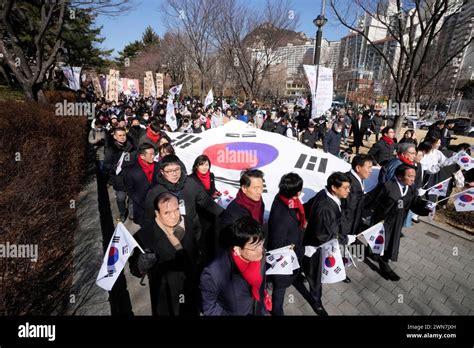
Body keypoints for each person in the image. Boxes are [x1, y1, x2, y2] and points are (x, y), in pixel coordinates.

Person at [129, 192, 199, 316]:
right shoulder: (144, 235)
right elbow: (135, 270)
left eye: (176, 210)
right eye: (167, 213)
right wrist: (141, 265)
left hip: (190, 285)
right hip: (166, 294)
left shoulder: (188, 222)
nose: (174, 216)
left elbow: (195, 249)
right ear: (157, 213)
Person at [364, 165, 432, 281]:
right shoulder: (387, 186)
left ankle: (369, 252)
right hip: (383, 221)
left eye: (414, 177)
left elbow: (414, 203)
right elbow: (373, 201)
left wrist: (427, 209)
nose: (412, 179)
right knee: (382, 244)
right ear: (400, 176)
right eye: (409, 176)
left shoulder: (411, 188)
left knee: (390, 242)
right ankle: (385, 267)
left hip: (398, 221)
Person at [303, 172, 354, 316]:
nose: (348, 191)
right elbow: (323, 235)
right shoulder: (325, 207)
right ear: (334, 188)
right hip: (318, 246)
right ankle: (316, 301)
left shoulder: (325, 193)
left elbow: (308, 207)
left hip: (328, 241)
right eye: (345, 188)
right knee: (315, 274)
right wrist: (345, 239)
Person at [200, 216, 271, 316]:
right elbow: (209, 308)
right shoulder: (213, 273)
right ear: (237, 249)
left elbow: (261, 284)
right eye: (255, 247)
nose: (261, 250)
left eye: (261, 243)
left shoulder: (259, 255)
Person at [268, 173, 317, 315]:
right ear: (295, 192)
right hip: (284, 257)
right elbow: (278, 245)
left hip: (294, 247)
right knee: (280, 287)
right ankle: (277, 310)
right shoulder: (281, 215)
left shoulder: (286, 199)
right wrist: (297, 251)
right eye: (299, 190)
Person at [143, 155, 224, 239]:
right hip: (169, 234)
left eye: (177, 169)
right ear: (162, 172)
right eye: (169, 171)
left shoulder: (191, 183)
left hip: (193, 230)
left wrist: (224, 214)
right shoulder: (155, 192)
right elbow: (149, 218)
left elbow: (206, 202)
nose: (174, 174)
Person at [218, 169, 265, 247]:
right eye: (256, 188)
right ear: (244, 188)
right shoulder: (234, 213)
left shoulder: (258, 200)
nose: (260, 192)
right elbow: (229, 242)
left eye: (261, 187)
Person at [188, 155, 222, 265]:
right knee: (201, 236)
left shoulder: (211, 176)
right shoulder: (191, 179)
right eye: (201, 165)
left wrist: (216, 193)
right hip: (199, 212)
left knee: (212, 235)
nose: (204, 167)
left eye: (206, 164)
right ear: (196, 166)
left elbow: (212, 189)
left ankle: (212, 256)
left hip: (211, 210)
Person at [123, 143, 160, 227]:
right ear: (142, 156)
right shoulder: (131, 171)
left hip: (158, 205)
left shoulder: (158, 166)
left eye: (154, 153)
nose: (153, 156)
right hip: (142, 207)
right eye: (150, 154)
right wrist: (144, 203)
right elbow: (130, 190)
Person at [104, 127, 136, 222]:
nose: (122, 137)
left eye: (124, 135)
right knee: (120, 199)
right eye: (120, 135)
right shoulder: (111, 149)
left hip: (131, 177)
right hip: (119, 179)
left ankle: (131, 213)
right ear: (115, 137)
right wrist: (117, 167)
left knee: (132, 198)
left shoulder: (132, 147)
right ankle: (122, 212)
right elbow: (106, 165)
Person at [342, 154, 374, 237]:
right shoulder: (347, 182)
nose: (371, 171)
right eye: (369, 167)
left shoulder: (358, 179)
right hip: (345, 229)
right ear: (358, 168)